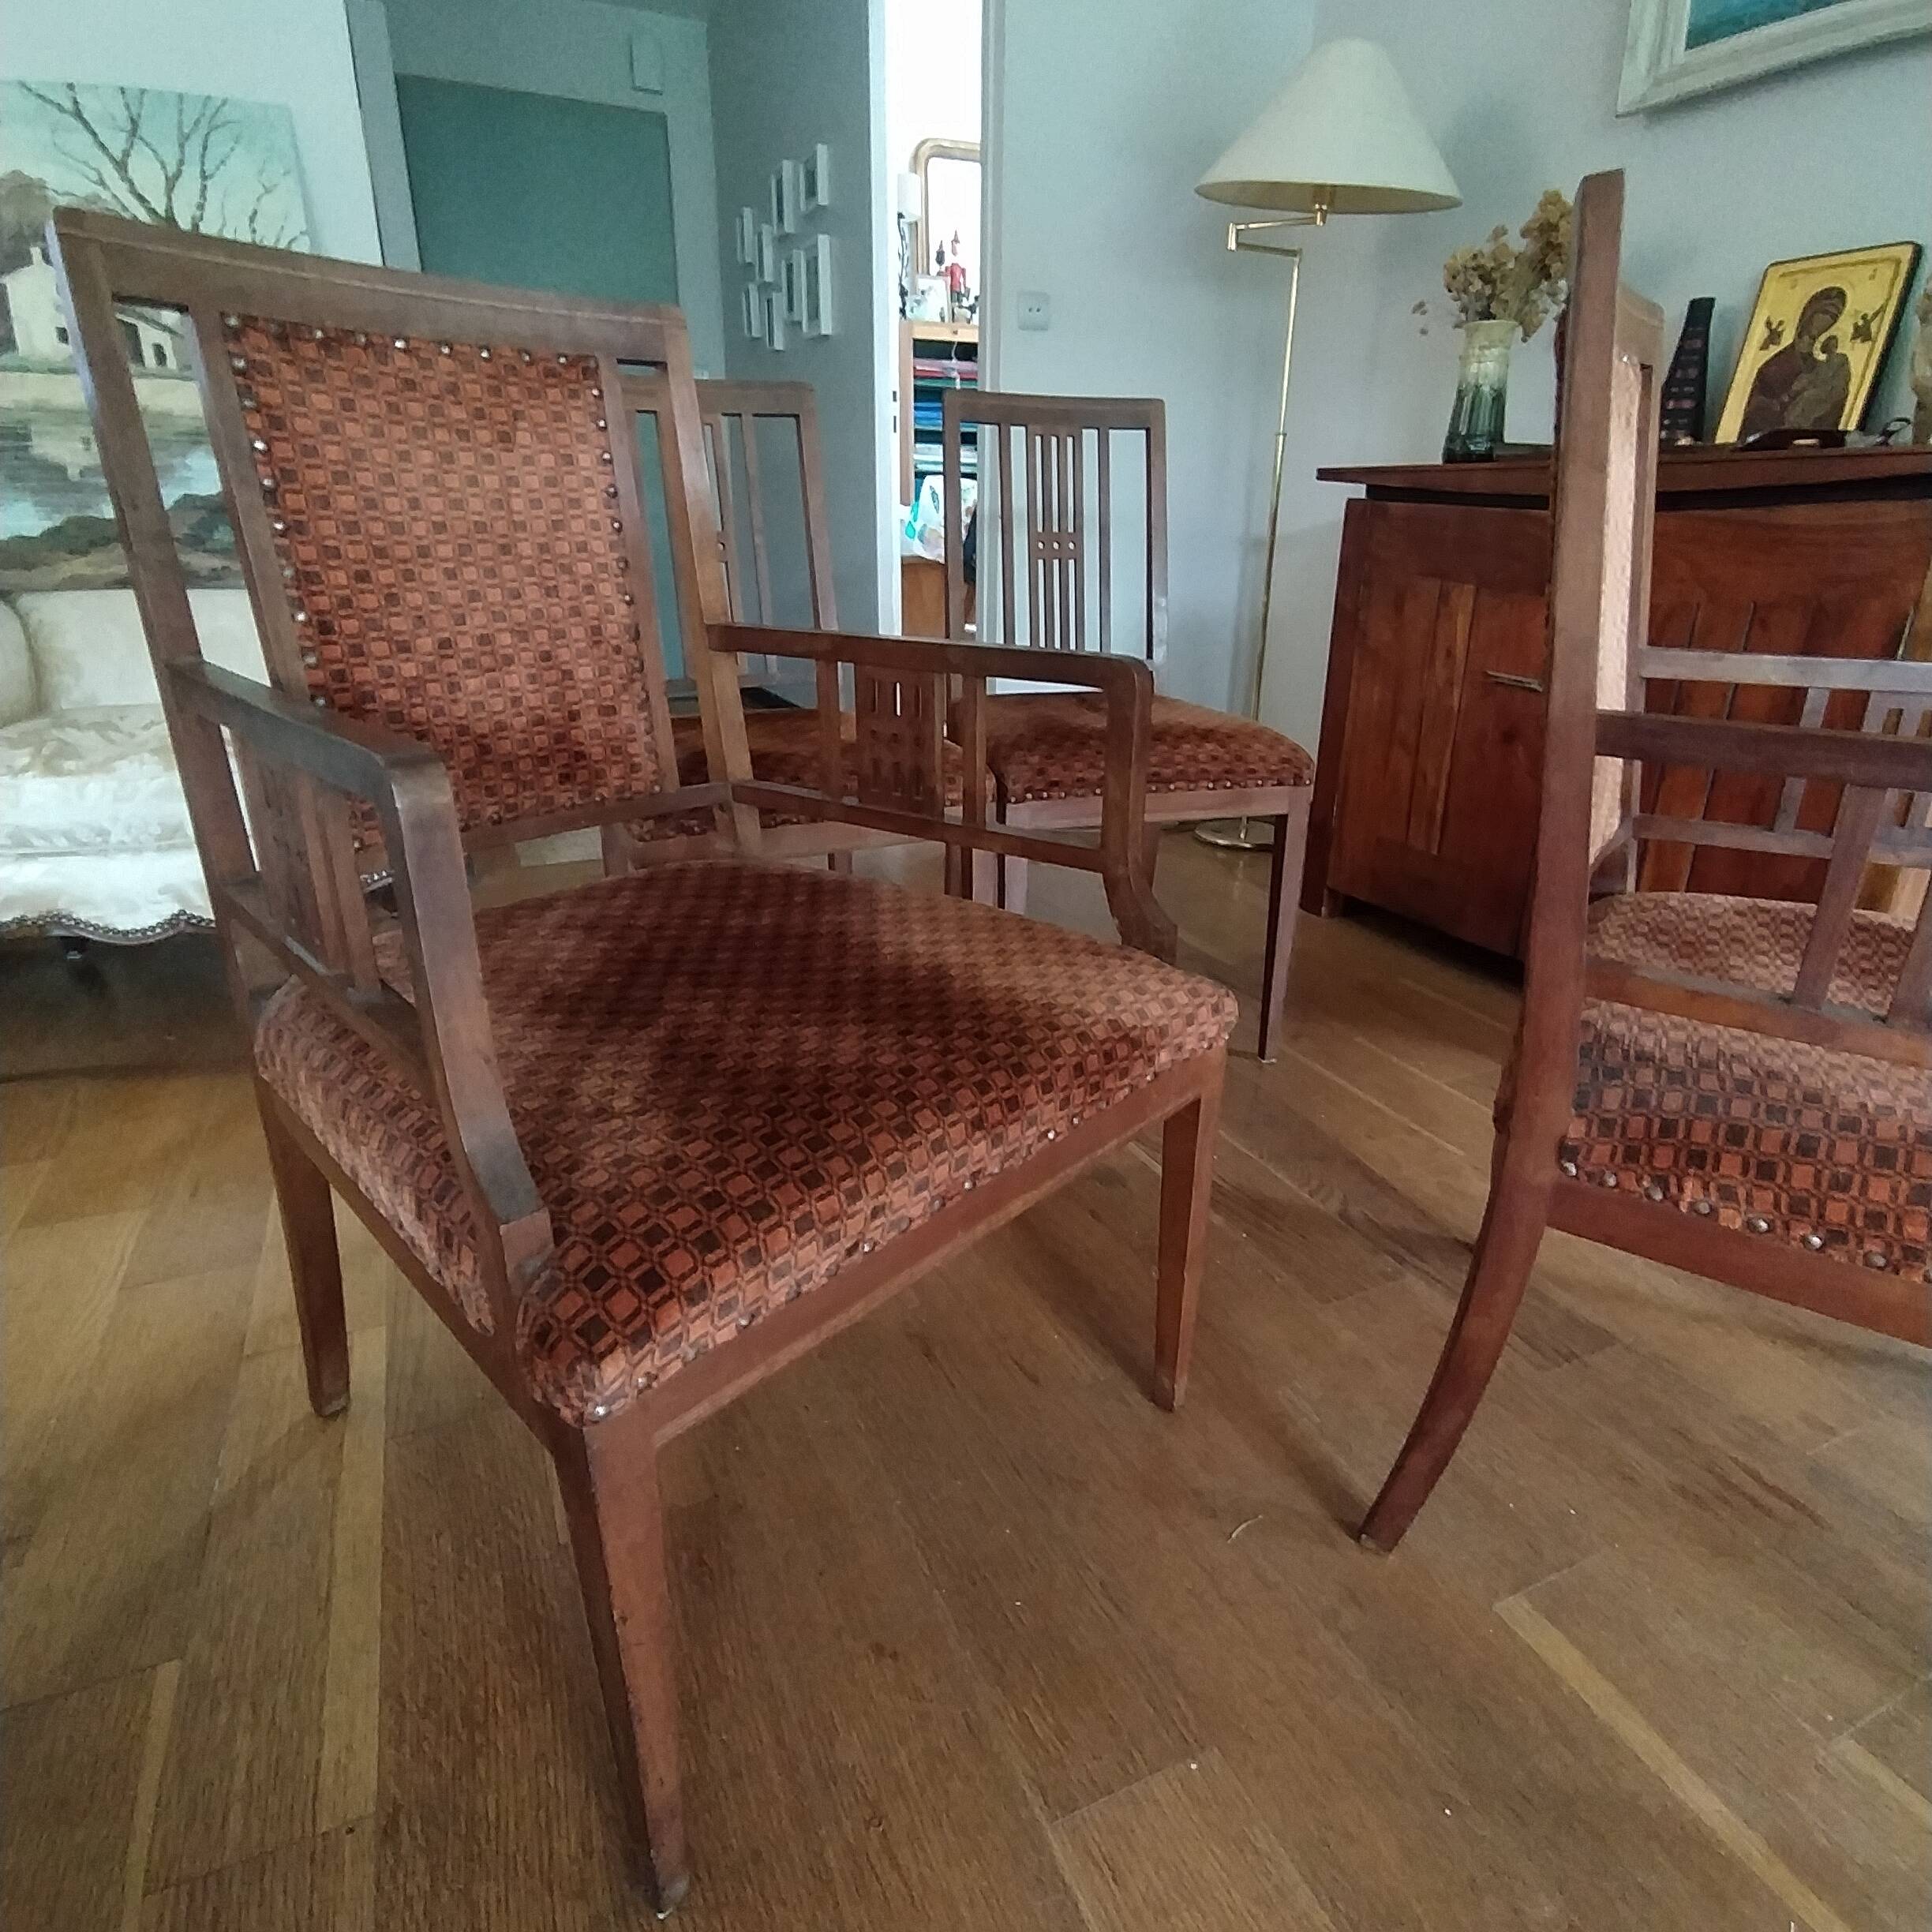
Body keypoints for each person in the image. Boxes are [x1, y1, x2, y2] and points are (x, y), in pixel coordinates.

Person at [1739, 285, 1852, 440]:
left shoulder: (1824, 365)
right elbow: (1753, 411)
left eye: (1834, 317)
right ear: (1810, 312)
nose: (1827, 321)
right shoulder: (1777, 362)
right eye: (1825, 313)